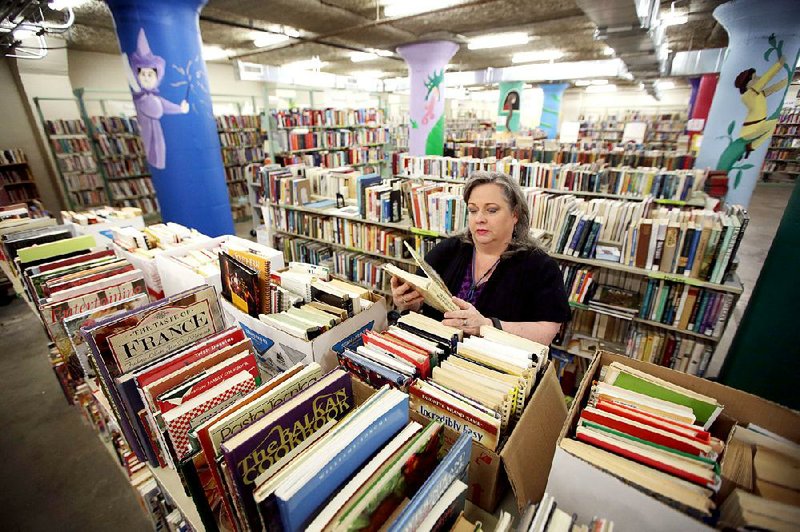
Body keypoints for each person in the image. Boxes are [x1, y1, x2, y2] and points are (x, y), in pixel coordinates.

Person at [390, 171, 570, 345]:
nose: (479, 219)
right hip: (438, 357)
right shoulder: (448, 250)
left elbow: (547, 333)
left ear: (515, 214)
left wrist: (487, 326)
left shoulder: (540, 266)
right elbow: (419, 307)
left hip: (499, 367)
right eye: (473, 210)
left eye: (491, 210)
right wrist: (407, 302)